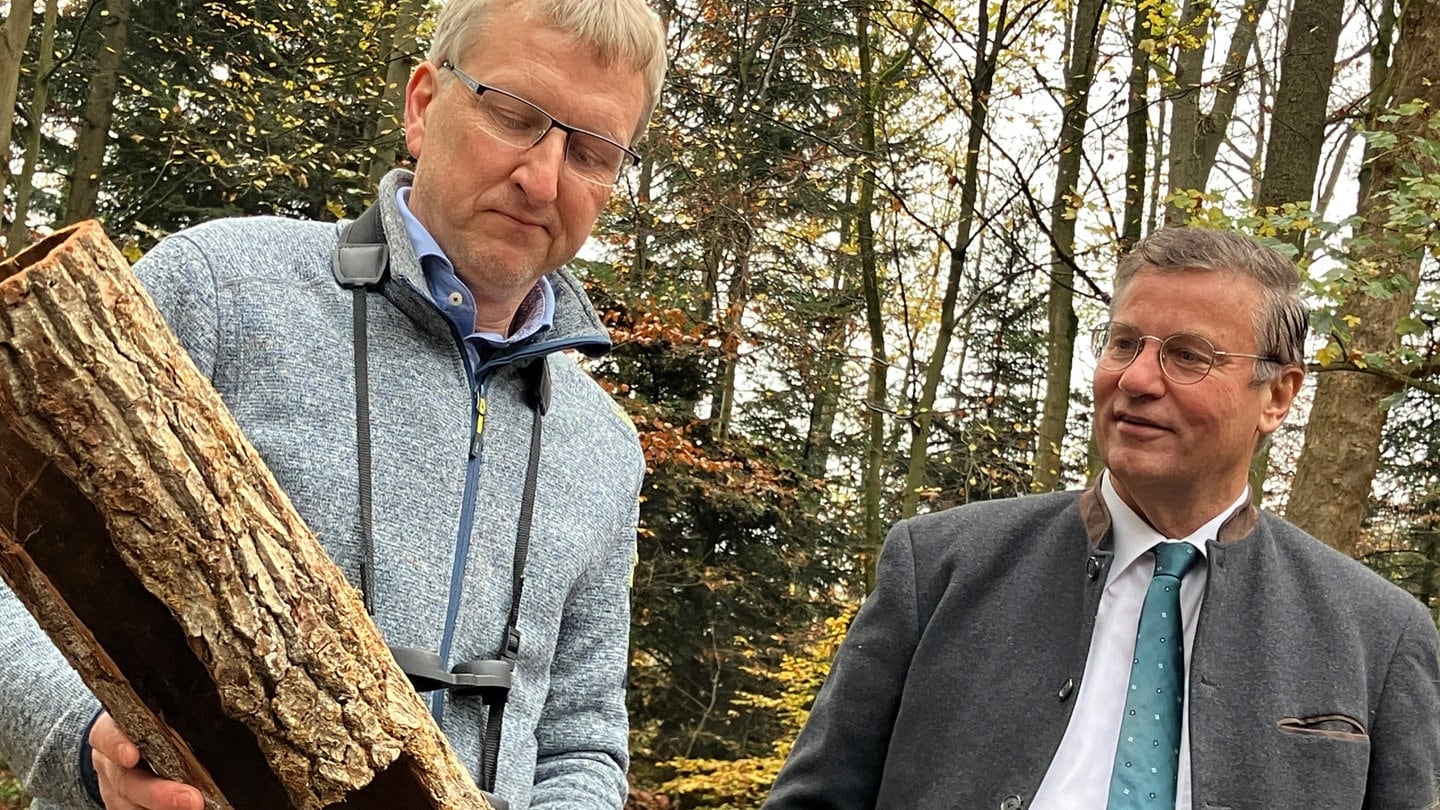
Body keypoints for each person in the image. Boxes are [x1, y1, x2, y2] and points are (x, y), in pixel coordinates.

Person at [0, 1, 668, 809]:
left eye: (591, 152)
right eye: (516, 116)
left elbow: (580, 739)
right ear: (424, 104)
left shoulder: (602, 444)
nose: (542, 178)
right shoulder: (220, 288)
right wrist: (85, 744)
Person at [763, 227, 1440, 809]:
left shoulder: (1378, 635)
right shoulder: (939, 567)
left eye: (1187, 355)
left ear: (1278, 395)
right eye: (1124, 344)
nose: (1138, 379)